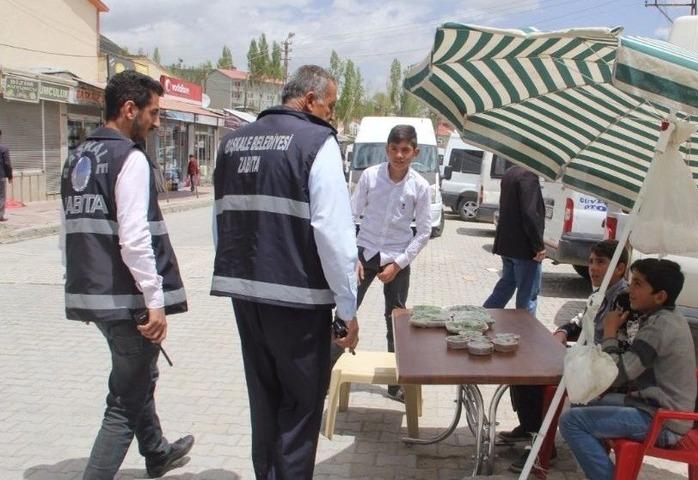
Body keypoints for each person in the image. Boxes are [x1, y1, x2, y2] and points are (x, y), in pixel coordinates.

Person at [211, 64, 359, 480]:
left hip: (245, 295)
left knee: (264, 399)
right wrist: (347, 309)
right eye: (329, 106)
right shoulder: (317, 141)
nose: (330, 116)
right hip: (298, 300)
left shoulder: (233, 142)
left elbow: (219, 221)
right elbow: (333, 234)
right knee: (301, 407)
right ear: (310, 101)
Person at [60, 70, 193, 479]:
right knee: (124, 400)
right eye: (153, 113)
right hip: (127, 300)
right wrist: (155, 302)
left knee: (137, 375)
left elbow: (69, 234)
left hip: (95, 295)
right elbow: (135, 238)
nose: (156, 122)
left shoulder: (77, 157)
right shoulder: (128, 158)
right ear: (128, 108)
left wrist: (81, 288)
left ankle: (156, 451)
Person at [559, 258, 697, 480]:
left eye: (638, 285)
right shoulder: (664, 317)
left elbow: (618, 374)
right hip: (650, 406)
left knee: (571, 421)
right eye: (631, 282)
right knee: (582, 400)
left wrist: (611, 331)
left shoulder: (660, 326)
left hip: (664, 420)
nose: (630, 290)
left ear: (660, 296)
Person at [503, 239, 633, 473]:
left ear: (620, 268)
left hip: (604, 371)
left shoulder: (624, 299)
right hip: (588, 358)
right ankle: (530, 426)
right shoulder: (601, 293)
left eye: (601, 263)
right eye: (591, 262)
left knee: (531, 373)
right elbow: (582, 319)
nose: (593, 268)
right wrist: (563, 331)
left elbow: (619, 350)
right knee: (523, 357)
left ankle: (542, 445)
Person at [349, 124, 432, 402]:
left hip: (397, 259)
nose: (399, 155)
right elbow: (350, 216)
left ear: (415, 152)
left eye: (405, 150)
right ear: (387, 150)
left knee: (395, 322)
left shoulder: (420, 187)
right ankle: (325, 375)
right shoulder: (371, 177)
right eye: (394, 149)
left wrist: (398, 264)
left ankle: (397, 384)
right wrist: (353, 256)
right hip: (364, 254)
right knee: (344, 313)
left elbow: (423, 231)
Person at [482, 165, 545, 317]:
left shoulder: (511, 172)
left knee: (505, 287)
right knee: (528, 296)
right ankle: (526, 333)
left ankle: (481, 317)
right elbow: (530, 213)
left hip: (507, 245)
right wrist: (538, 246)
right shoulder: (528, 176)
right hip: (524, 248)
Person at [0, 129, 11, 221]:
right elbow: (7, 164)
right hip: (1, 177)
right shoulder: (3, 148)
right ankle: (0, 216)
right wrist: (10, 176)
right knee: (1, 196)